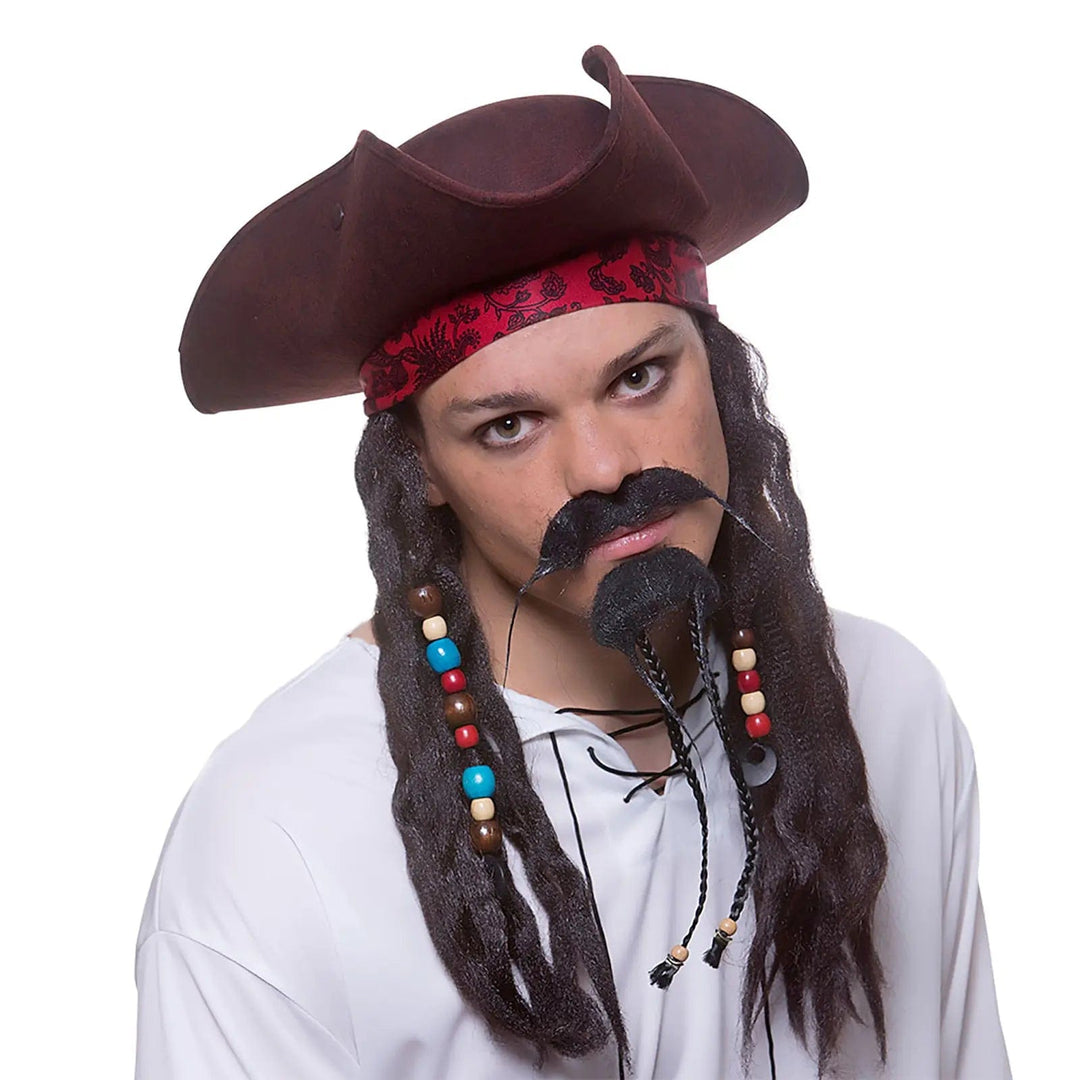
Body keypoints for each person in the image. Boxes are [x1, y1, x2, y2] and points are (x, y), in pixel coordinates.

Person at [134, 45, 1011, 1079]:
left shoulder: (884, 707)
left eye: (640, 376)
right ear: (421, 473)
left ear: (719, 372)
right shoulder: (281, 834)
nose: (602, 467)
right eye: (509, 425)